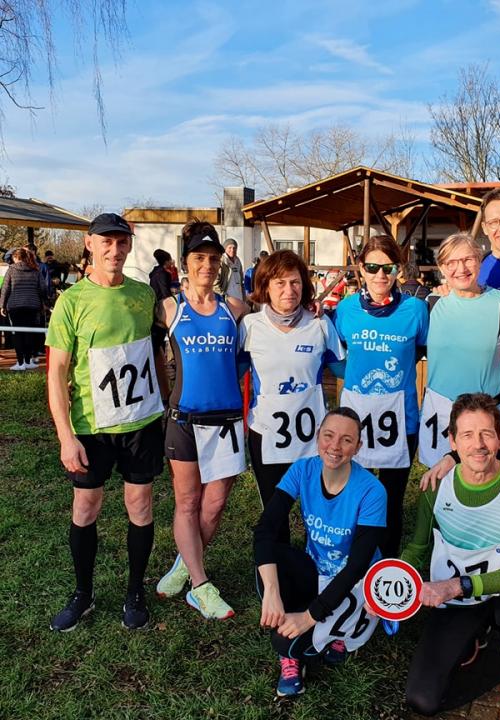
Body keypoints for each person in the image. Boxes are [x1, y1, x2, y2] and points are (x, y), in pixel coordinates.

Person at [46, 213, 165, 632]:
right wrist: (65, 436)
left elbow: (157, 349)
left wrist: (168, 398)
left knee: (140, 505)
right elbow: (56, 373)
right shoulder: (72, 301)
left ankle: (135, 592)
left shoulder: (144, 294)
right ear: (90, 244)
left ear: (129, 245)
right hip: (91, 427)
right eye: (106, 242)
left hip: (141, 422)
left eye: (122, 242)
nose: (115, 250)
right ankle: (83, 593)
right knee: (85, 506)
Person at [402, 393, 500, 719]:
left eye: (486, 434)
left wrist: (457, 585)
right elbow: (418, 549)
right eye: (467, 435)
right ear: (452, 442)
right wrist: (382, 589)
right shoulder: (436, 485)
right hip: (457, 600)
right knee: (422, 701)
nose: (478, 444)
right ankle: (473, 638)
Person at [254, 407, 387, 697]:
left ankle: (343, 630)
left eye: (346, 440)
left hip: (355, 583)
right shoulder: (303, 470)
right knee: (269, 561)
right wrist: (272, 592)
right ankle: (307, 639)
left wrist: (309, 616)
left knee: (285, 642)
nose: (335, 446)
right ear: (317, 437)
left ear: (358, 447)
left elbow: (357, 566)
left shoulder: (372, 490)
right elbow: (264, 530)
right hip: (315, 570)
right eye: (329, 436)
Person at [154, 221, 248, 620]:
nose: (207, 265)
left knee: (215, 505)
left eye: (213, 258)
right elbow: (143, 349)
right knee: (188, 501)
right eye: (199, 258)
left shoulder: (236, 309)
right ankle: (200, 584)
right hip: (185, 419)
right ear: (185, 263)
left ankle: (184, 564)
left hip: (227, 421)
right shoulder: (169, 309)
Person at [333, 234, 429, 557]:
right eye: (372, 267)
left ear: (399, 269)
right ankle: (351, 564)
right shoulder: (345, 309)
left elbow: (421, 350)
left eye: (388, 268)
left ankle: (384, 569)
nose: (380, 275)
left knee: (390, 499)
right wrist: (354, 375)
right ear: (361, 268)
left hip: (400, 421)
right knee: (353, 495)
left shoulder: (415, 310)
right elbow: (334, 354)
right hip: (356, 420)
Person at [239, 249, 345, 524]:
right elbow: (231, 374)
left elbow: (344, 370)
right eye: (280, 283)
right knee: (275, 511)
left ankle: (318, 552)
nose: (289, 290)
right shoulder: (250, 326)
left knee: (318, 508)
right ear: (266, 287)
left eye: (295, 282)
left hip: (314, 435)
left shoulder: (320, 323)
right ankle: (273, 553)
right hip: (266, 433)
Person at [419, 232, 500, 469]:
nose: (461, 268)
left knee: (490, 485)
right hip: (441, 417)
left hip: (488, 419)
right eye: (451, 262)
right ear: (441, 268)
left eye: (467, 259)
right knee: (440, 486)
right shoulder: (432, 302)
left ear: (479, 261)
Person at [0, 247, 48, 370]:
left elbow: (5, 289)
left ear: (16, 257)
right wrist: (44, 302)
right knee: (29, 333)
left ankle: (20, 363)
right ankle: (28, 360)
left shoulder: (11, 270)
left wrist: (2, 305)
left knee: (18, 334)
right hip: (32, 306)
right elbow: (43, 288)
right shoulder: (35, 270)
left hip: (15, 306)